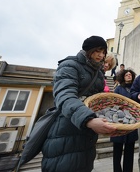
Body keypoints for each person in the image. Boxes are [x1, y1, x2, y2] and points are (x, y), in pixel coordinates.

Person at [41, 36, 116, 172]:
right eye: (98, 51)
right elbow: (65, 96)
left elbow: (97, 101)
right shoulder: (69, 65)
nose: (101, 55)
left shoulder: (98, 73)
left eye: (104, 52)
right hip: (65, 129)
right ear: (88, 50)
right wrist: (89, 119)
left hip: (87, 135)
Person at [110, 69, 138, 172]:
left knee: (129, 152)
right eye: (126, 75)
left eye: (130, 74)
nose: (129, 76)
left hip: (132, 123)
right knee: (117, 152)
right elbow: (114, 105)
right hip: (119, 123)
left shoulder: (135, 89)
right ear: (123, 77)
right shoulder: (118, 89)